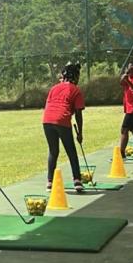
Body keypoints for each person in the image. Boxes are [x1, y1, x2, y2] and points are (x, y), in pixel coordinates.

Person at [42, 62, 86, 194]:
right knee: (71, 151)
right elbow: (78, 113)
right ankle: (77, 180)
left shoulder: (54, 88)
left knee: (53, 151)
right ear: (76, 77)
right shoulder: (76, 90)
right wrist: (80, 133)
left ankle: (50, 182)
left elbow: (49, 105)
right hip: (62, 119)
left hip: (47, 120)